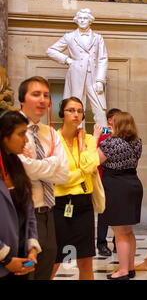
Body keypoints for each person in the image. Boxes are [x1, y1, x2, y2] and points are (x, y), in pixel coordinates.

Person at [17, 76, 69, 280]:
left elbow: (64, 172)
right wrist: (51, 163)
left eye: (46, 96)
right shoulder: (12, 130)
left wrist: (37, 166)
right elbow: (21, 169)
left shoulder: (51, 133)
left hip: (48, 212)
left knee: (45, 270)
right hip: (23, 214)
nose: (42, 100)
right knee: (26, 271)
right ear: (22, 99)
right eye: (36, 94)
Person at [51, 97, 100, 280]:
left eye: (79, 111)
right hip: (59, 204)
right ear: (62, 113)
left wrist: (82, 152)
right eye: (71, 110)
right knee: (55, 259)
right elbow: (59, 177)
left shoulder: (87, 139)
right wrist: (82, 169)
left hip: (83, 205)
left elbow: (92, 166)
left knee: (86, 260)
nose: (76, 114)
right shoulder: (53, 139)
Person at [98, 112, 143, 280]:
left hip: (117, 186)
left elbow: (94, 160)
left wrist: (97, 137)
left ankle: (123, 270)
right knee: (128, 231)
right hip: (133, 183)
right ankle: (130, 268)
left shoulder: (110, 143)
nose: (110, 124)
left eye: (113, 122)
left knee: (120, 232)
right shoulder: (137, 142)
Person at [47, 8, 108, 126]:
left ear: (90, 21)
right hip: (76, 75)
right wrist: (68, 60)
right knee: (76, 107)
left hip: (93, 76)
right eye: (80, 18)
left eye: (85, 18)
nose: (82, 20)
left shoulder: (98, 37)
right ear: (76, 20)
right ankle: (78, 135)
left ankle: (105, 137)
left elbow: (102, 59)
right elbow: (50, 50)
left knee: (100, 109)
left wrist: (100, 80)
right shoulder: (69, 37)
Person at [0, 110, 41, 280]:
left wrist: (32, 249)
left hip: (20, 262)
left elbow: (29, 212)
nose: (25, 140)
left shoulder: (16, 165)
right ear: (4, 136)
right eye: (21, 134)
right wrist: (5, 258)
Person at [94, 108, 122, 257]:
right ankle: (102, 243)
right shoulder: (103, 134)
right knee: (103, 212)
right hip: (103, 176)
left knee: (119, 211)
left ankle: (119, 241)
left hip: (118, 178)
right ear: (110, 119)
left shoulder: (124, 134)